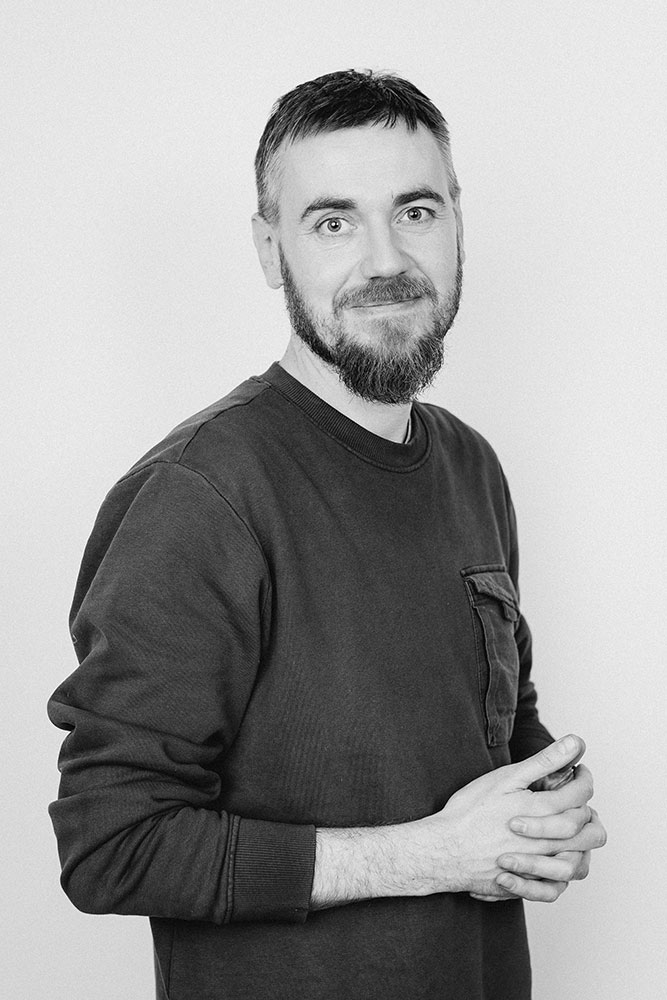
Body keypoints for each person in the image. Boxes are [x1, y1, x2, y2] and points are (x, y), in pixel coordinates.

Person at [48, 69, 607, 999]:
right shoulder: (198, 495)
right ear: (271, 250)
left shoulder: (470, 465)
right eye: (333, 222)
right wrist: (429, 856)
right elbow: (112, 847)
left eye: (415, 212)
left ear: (457, 223)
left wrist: (541, 806)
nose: (385, 261)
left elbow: (496, 723)